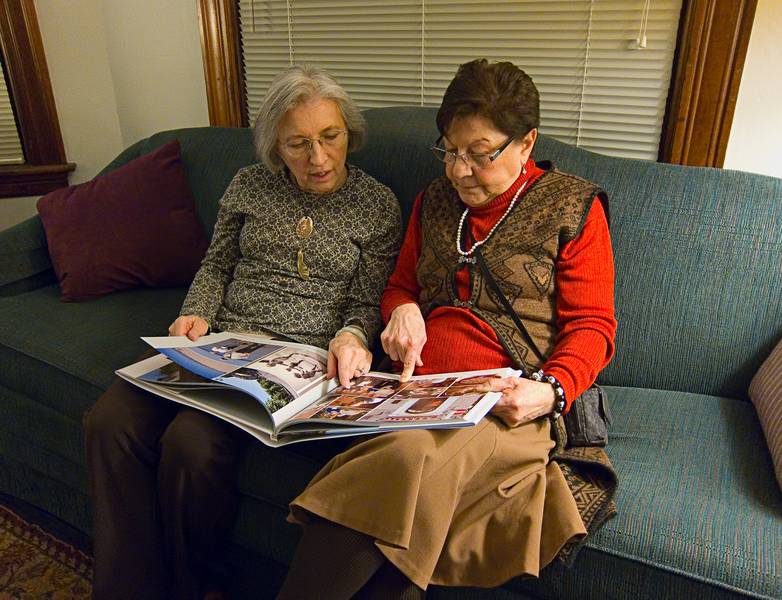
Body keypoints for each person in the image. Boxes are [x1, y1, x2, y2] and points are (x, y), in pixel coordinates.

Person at [276, 59, 617, 599]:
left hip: (507, 399)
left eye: (480, 155)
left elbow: (593, 327)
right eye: (450, 151)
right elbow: (399, 286)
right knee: (411, 467)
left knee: (407, 461)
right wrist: (403, 309)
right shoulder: (433, 202)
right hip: (415, 391)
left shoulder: (572, 207)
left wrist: (549, 391)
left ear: (525, 144)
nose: (459, 171)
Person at [84, 64, 401, 600]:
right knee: (108, 420)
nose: (318, 158)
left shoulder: (377, 206)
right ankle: (128, 586)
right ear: (275, 145)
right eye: (298, 144)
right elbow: (216, 266)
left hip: (298, 360)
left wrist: (351, 335)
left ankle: (191, 585)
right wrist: (196, 314)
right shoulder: (249, 186)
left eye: (330, 137)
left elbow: (367, 300)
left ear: (350, 132)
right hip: (220, 344)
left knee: (190, 442)